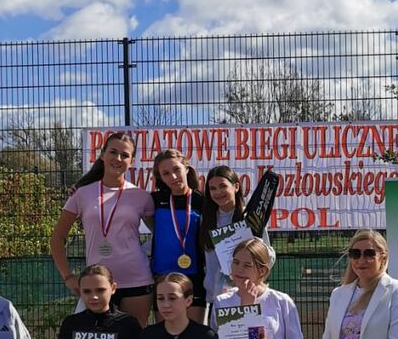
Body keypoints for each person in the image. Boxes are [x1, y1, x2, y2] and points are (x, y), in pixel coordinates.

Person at [50, 130, 154, 326]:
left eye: (125, 155)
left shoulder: (142, 197)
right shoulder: (82, 193)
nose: (118, 158)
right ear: (102, 154)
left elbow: (161, 234)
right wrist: (68, 277)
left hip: (137, 281)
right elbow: (57, 238)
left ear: (131, 161)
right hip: (96, 285)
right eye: (113, 152)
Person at [201, 164, 270, 301]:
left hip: (248, 294)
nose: (218, 192)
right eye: (213, 188)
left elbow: (268, 256)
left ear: (236, 187)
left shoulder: (250, 217)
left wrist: (255, 246)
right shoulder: (206, 219)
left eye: (223, 186)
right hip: (217, 297)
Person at [150, 148, 205, 321]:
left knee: (194, 332)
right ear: (160, 177)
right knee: (165, 332)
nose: (173, 177)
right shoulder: (154, 200)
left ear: (186, 169)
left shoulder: (201, 200)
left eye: (176, 169)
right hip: (162, 276)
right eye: (166, 173)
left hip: (194, 275)